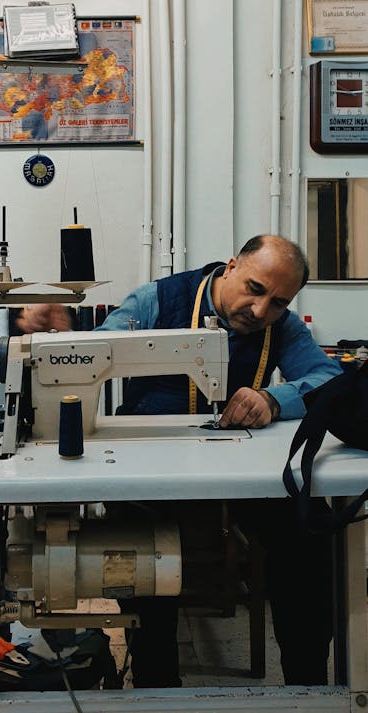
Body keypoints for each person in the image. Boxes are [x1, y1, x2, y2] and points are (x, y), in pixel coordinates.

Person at [17, 234, 342, 688]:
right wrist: (62, 339)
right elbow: (92, 351)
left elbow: (328, 378)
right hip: (151, 472)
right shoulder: (157, 300)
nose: (261, 310)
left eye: (278, 302)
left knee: (309, 537)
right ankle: (156, 685)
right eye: (254, 289)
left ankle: (309, 685)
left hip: (239, 469)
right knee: (140, 561)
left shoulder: (281, 325)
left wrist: (274, 396)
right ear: (230, 267)